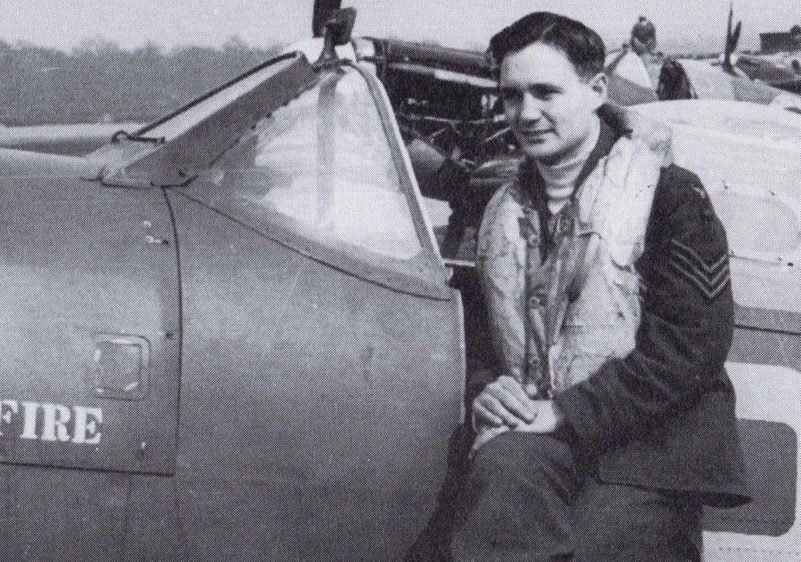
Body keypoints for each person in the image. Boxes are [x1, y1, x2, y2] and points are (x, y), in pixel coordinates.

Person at [449, 12, 749, 561]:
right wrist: (489, 388)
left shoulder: (670, 193)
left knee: (601, 545)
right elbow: (479, 335)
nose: (526, 113)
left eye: (545, 92)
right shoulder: (497, 210)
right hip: (545, 434)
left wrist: (565, 413)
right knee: (493, 483)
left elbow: (691, 348)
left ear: (595, 90)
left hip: (650, 446)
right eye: (512, 96)